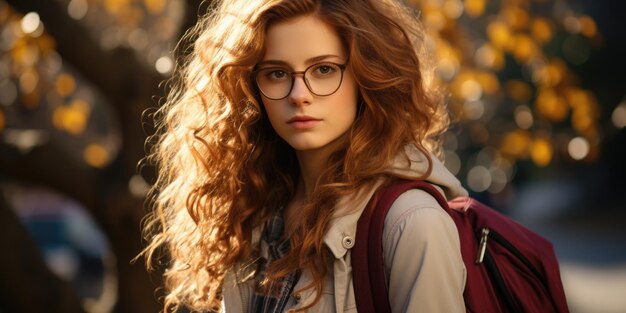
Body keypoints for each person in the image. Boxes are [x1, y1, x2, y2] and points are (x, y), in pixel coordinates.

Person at [142, 0, 468, 312]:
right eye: (277, 73)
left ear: (366, 75)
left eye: (323, 69)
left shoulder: (412, 223)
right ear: (250, 87)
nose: (299, 95)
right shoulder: (254, 211)